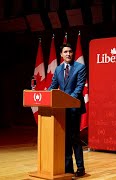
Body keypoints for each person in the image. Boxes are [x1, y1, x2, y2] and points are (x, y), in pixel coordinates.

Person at [48, 43, 86, 177]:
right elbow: (53, 86)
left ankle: (80, 168)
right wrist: (44, 97)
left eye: (70, 51)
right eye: (65, 52)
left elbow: (79, 88)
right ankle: (68, 168)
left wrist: (67, 101)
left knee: (74, 138)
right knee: (64, 139)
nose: (68, 54)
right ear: (61, 55)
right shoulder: (58, 69)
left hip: (74, 108)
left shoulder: (80, 67)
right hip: (61, 110)